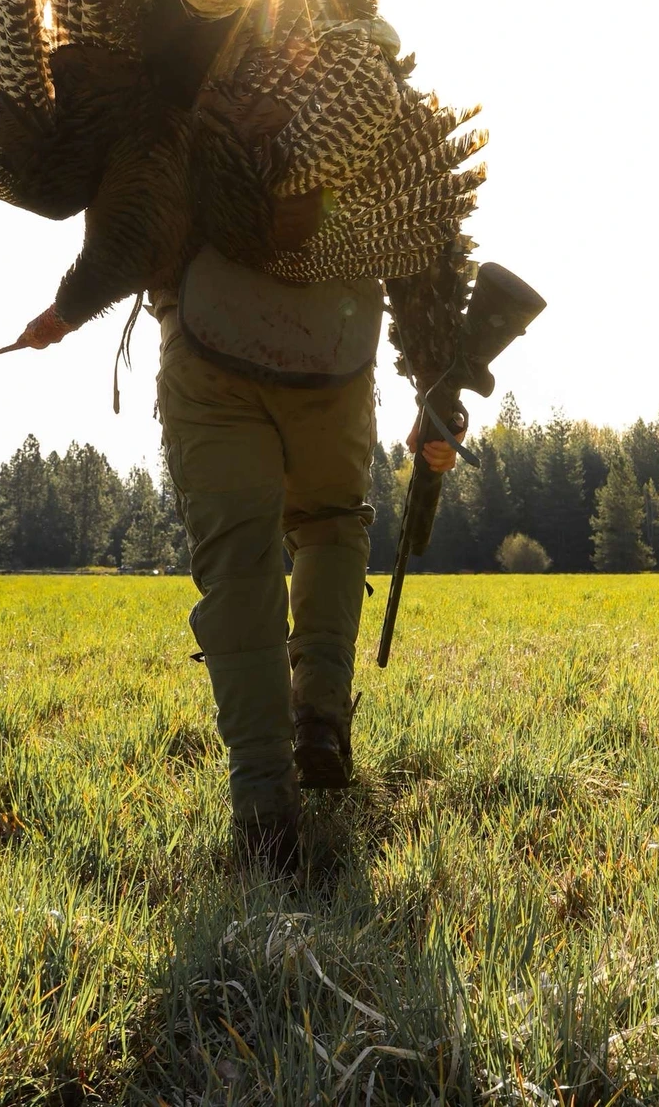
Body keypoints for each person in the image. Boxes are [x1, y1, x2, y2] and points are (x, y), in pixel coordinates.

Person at [150, 248, 463, 871]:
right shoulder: (362, 144)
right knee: (328, 523)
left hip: (205, 332)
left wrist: (72, 305)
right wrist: (437, 381)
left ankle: (264, 806)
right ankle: (319, 716)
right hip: (331, 343)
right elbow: (419, 221)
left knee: (238, 563)